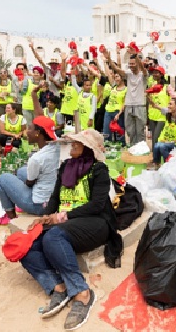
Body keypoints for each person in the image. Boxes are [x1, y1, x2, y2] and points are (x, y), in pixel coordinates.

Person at [20, 129, 121, 330]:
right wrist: (44, 218)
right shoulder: (66, 166)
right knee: (25, 245)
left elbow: (98, 205)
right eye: (72, 143)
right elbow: (56, 197)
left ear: (89, 149)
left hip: (94, 222)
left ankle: (82, 293)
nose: (72, 146)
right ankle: (58, 286)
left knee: (53, 237)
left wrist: (61, 217)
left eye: (77, 143)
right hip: (67, 222)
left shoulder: (98, 169)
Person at [0, 115, 60, 224]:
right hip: (52, 199)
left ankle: (11, 216)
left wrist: (20, 186)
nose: (26, 132)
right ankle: (19, 198)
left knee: (3, 179)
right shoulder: (56, 144)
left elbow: (29, 183)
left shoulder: (36, 158)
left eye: (29, 128)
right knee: (21, 171)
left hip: (39, 206)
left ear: (38, 133)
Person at [103, 47, 148, 146]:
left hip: (139, 105)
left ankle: (141, 149)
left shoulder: (143, 75)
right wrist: (109, 59)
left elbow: (143, 69)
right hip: (128, 105)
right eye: (130, 63)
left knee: (139, 131)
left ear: (137, 63)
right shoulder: (128, 74)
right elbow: (116, 69)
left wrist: (136, 56)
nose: (131, 65)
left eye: (133, 63)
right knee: (130, 130)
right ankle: (133, 148)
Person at [150, 97, 176, 166]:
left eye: (170, 104)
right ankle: (157, 165)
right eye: (168, 104)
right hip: (163, 142)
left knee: (161, 146)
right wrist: (148, 96)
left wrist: (170, 142)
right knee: (156, 145)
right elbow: (155, 105)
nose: (168, 106)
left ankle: (169, 164)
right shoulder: (168, 114)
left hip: (175, 144)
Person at [103, 72, 127, 143]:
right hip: (108, 111)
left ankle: (121, 146)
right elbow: (109, 74)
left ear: (122, 78)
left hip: (118, 113)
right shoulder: (113, 86)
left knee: (119, 132)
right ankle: (107, 145)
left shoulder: (126, 89)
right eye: (115, 77)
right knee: (106, 130)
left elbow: (124, 103)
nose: (116, 79)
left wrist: (119, 114)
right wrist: (105, 62)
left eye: (117, 77)